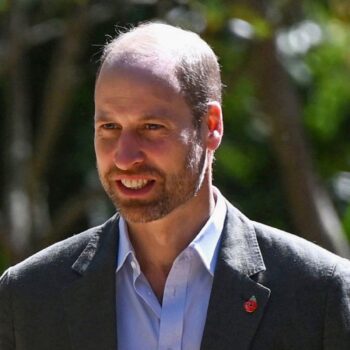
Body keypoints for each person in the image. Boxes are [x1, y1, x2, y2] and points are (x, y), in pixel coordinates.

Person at [0, 22, 349, 350]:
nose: (124, 157)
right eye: (109, 127)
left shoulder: (321, 294)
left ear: (211, 126)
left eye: (151, 127)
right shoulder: (28, 297)